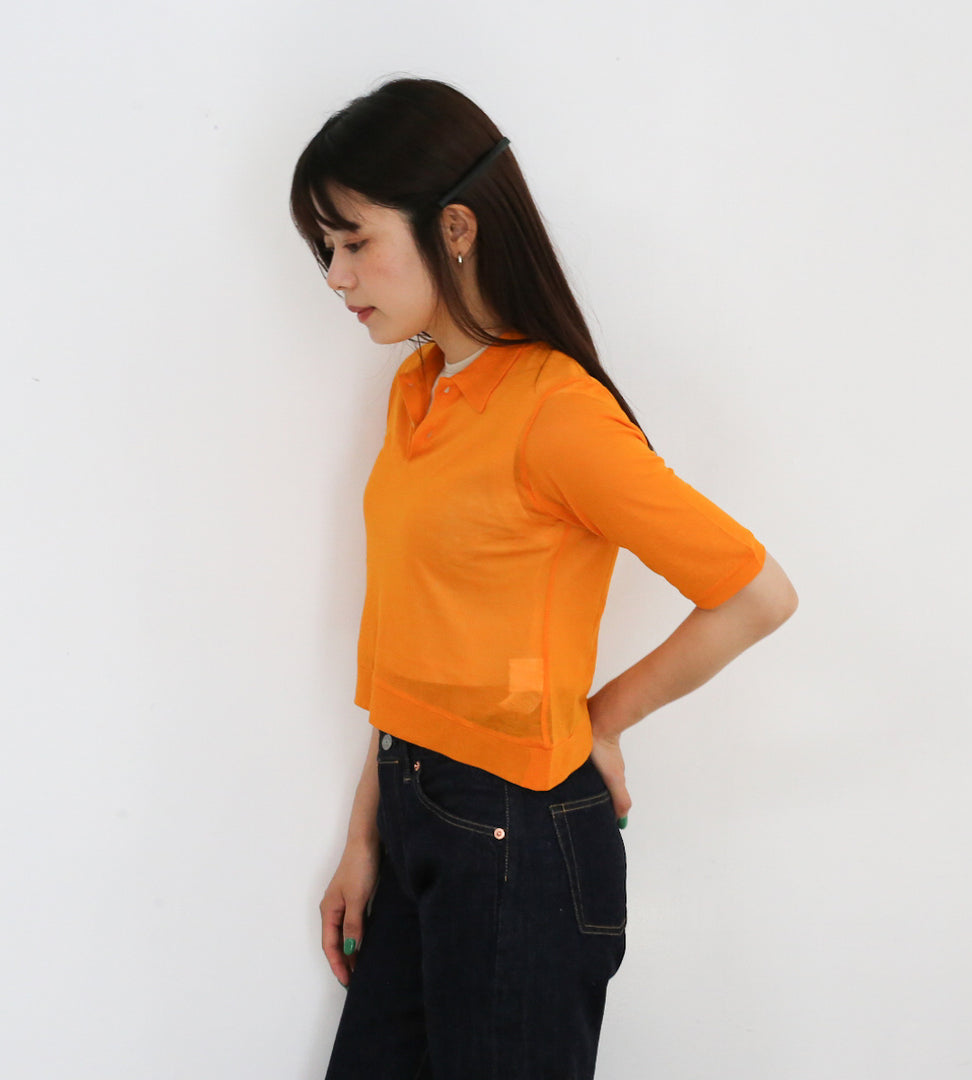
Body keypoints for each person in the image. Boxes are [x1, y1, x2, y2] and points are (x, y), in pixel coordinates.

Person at [289, 76, 798, 1080]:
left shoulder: (557, 414)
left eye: (353, 242)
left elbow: (755, 595)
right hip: (417, 811)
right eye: (326, 250)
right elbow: (414, 649)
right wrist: (368, 835)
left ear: (457, 227)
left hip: (518, 840)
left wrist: (600, 721)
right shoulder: (417, 390)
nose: (337, 276)